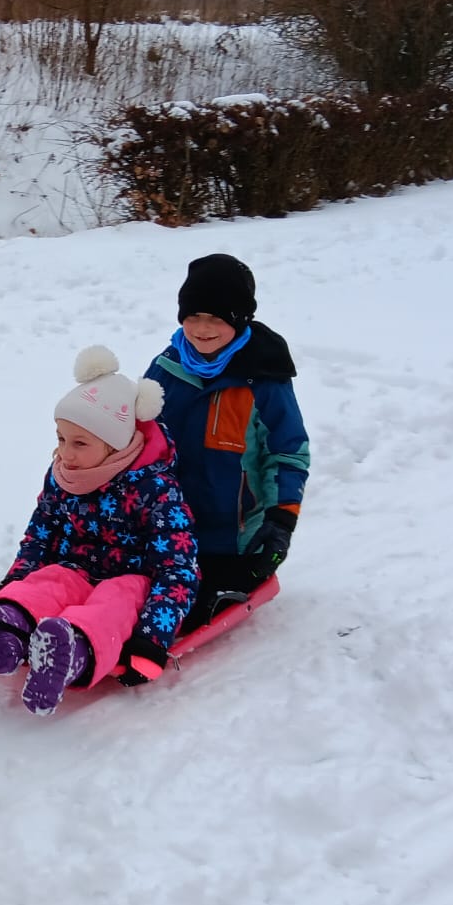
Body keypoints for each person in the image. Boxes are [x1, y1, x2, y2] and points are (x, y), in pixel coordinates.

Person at [0, 348, 200, 715]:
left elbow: (178, 569)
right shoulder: (63, 477)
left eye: (80, 443)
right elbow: (40, 536)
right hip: (77, 569)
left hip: (134, 581)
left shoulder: (155, 489)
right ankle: (5, 631)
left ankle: (69, 655)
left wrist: (152, 638)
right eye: (61, 439)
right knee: (51, 580)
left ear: (115, 445)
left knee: (111, 604)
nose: (65, 453)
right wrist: (15, 584)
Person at [140, 255, 310, 626]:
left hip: (232, 540)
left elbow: (288, 453)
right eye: (193, 316)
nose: (202, 329)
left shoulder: (264, 380)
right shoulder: (166, 367)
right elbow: (139, 437)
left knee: (192, 607)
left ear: (239, 318)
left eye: (216, 318)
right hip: (168, 528)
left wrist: (281, 522)